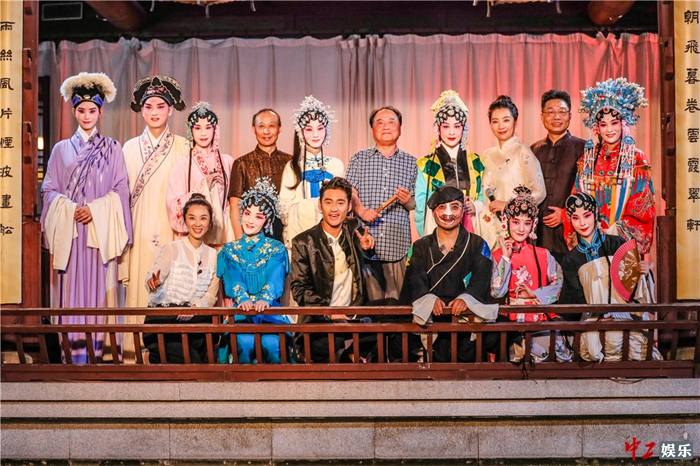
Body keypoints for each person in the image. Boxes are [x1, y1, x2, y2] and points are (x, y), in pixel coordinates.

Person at [41, 72, 132, 363]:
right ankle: (71, 357)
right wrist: (69, 208)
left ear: (100, 112)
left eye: (92, 110)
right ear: (73, 112)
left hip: (98, 233)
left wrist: (94, 209)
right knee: (70, 294)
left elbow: (121, 188)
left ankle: (99, 357)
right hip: (70, 233)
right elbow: (49, 190)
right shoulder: (60, 150)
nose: (87, 116)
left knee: (100, 294)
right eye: (81, 110)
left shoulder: (113, 148)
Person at [121, 75, 189, 362]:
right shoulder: (128, 148)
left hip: (171, 229)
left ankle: (168, 354)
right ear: (141, 110)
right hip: (138, 227)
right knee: (140, 287)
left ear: (170, 110)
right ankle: (133, 353)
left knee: (171, 286)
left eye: (161, 106)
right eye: (148, 106)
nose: (154, 112)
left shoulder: (184, 146)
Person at [400, 186, 498, 363]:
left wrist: (467, 298)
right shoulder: (420, 247)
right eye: (442, 207)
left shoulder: (477, 244)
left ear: (462, 210)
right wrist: (428, 298)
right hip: (430, 316)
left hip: (466, 316)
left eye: (454, 207)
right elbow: (414, 278)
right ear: (433, 211)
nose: (448, 213)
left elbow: (481, 278)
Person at [290, 177, 383, 362]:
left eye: (340, 203)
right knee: (327, 343)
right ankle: (349, 354)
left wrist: (368, 248)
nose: (334, 209)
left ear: (349, 207)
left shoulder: (354, 230)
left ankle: (352, 352)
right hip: (321, 321)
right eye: (328, 202)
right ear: (320, 205)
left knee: (394, 310)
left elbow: (364, 246)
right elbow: (299, 289)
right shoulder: (303, 242)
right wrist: (329, 313)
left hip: (353, 316)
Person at [559, 192, 660, 361]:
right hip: (594, 321)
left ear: (595, 214)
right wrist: (598, 315)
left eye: (587, 215)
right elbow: (574, 298)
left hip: (626, 316)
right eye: (576, 218)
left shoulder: (617, 243)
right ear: (570, 220)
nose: (582, 223)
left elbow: (632, 285)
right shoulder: (571, 259)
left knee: (637, 353)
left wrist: (643, 273)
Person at [564, 77, 656, 255]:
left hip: (623, 245)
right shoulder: (587, 160)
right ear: (597, 127)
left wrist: (612, 235)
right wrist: (588, 233)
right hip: (589, 242)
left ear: (623, 123)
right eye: (603, 124)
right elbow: (576, 201)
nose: (609, 130)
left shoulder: (636, 159)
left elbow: (641, 206)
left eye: (614, 123)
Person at [490, 186, 571, 363]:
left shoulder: (543, 254)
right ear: (506, 222)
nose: (521, 229)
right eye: (516, 222)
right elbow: (496, 292)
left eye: (527, 223)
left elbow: (560, 284)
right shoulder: (496, 256)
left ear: (533, 225)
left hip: (539, 318)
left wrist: (535, 294)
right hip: (508, 322)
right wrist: (505, 258)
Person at [345, 106, 417, 301]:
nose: (386, 126)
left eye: (391, 122)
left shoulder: (412, 163)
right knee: (370, 308)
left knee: (399, 307)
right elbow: (349, 192)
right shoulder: (359, 159)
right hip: (366, 243)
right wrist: (361, 210)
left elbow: (414, 206)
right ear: (372, 130)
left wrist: (407, 200)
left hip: (397, 243)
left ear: (400, 128)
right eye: (380, 122)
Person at [217, 178, 290, 364]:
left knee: (272, 345)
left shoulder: (277, 249)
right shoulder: (230, 250)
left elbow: (275, 278)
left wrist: (265, 298)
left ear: (267, 222)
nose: (250, 220)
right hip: (243, 310)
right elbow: (233, 278)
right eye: (247, 213)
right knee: (245, 343)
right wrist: (243, 298)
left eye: (259, 216)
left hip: (269, 310)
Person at [143, 194, 219, 364]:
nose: (197, 224)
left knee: (205, 334)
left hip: (195, 318)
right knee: (190, 360)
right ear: (184, 220)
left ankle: (154, 358)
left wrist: (194, 308)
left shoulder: (214, 256)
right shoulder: (172, 249)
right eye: (192, 218)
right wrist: (153, 282)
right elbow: (155, 273)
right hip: (166, 317)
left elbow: (210, 296)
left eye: (203, 218)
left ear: (210, 222)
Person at [480, 95, 546, 250]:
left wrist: (509, 205)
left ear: (515, 122)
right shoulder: (487, 155)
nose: (501, 126)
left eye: (506, 120)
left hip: (514, 228)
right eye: (495, 121)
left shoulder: (524, 153)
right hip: (487, 229)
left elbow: (539, 192)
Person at [415, 90, 484, 238]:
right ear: (438, 129)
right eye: (446, 126)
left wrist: (475, 206)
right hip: (438, 228)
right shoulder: (426, 164)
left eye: (457, 126)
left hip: (470, 225)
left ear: (464, 129)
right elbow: (421, 205)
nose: (451, 132)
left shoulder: (477, 162)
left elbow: (483, 195)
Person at [279, 95, 345, 251]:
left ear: (327, 130)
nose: (316, 134)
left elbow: (343, 203)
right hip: (300, 239)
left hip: (332, 239)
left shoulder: (336, 165)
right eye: (309, 129)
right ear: (301, 132)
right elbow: (283, 210)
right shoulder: (293, 167)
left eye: (320, 128)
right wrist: (314, 206)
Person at [166, 101, 234, 247]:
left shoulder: (228, 162)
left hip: (223, 236)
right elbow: (173, 204)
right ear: (191, 131)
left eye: (208, 128)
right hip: (194, 236)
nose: (203, 133)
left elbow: (233, 204)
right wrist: (203, 188)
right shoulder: (183, 164)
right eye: (197, 128)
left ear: (215, 130)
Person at [530, 90, 586, 261]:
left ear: (570, 116)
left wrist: (566, 213)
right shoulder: (532, 151)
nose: (557, 117)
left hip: (571, 235)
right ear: (542, 117)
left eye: (562, 112)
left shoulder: (583, 149)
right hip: (538, 235)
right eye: (551, 112)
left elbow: (590, 191)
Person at [228, 108, 292, 241]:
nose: (266, 131)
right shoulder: (241, 163)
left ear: (279, 128)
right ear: (253, 129)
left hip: (285, 234)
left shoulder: (290, 162)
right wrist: (240, 241)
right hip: (251, 235)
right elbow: (235, 205)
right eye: (261, 126)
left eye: (271, 126)